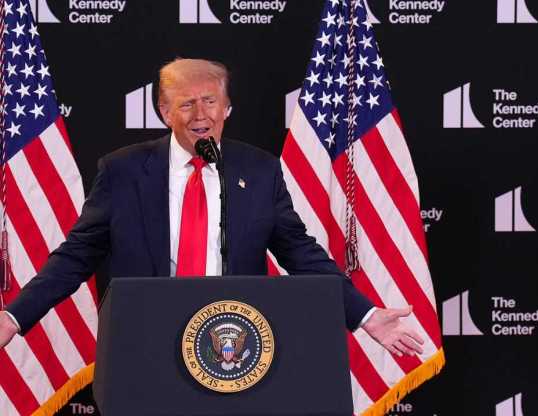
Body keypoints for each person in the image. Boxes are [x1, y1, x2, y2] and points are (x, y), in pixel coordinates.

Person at [0, 58, 423, 358]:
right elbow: (75, 257)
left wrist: (366, 314)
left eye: (210, 101)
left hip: (231, 346)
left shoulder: (259, 171)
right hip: (144, 346)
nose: (200, 114)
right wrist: (14, 317)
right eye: (186, 103)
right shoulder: (122, 171)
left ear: (227, 108)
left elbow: (302, 254)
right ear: (165, 111)